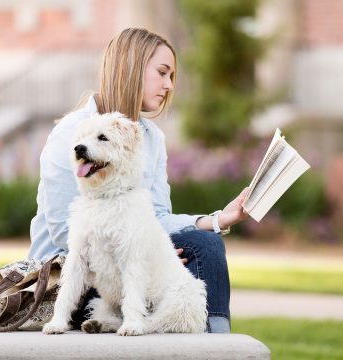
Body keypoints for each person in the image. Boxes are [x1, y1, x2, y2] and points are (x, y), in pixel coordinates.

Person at [28, 28, 248, 334]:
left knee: (207, 246)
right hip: (71, 271)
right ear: (131, 68)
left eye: (172, 76)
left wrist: (217, 219)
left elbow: (155, 217)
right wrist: (138, 256)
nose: (169, 85)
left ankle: (219, 345)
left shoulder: (151, 138)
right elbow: (62, 229)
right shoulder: (73, 132)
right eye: (162, 73)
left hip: (129, 256)